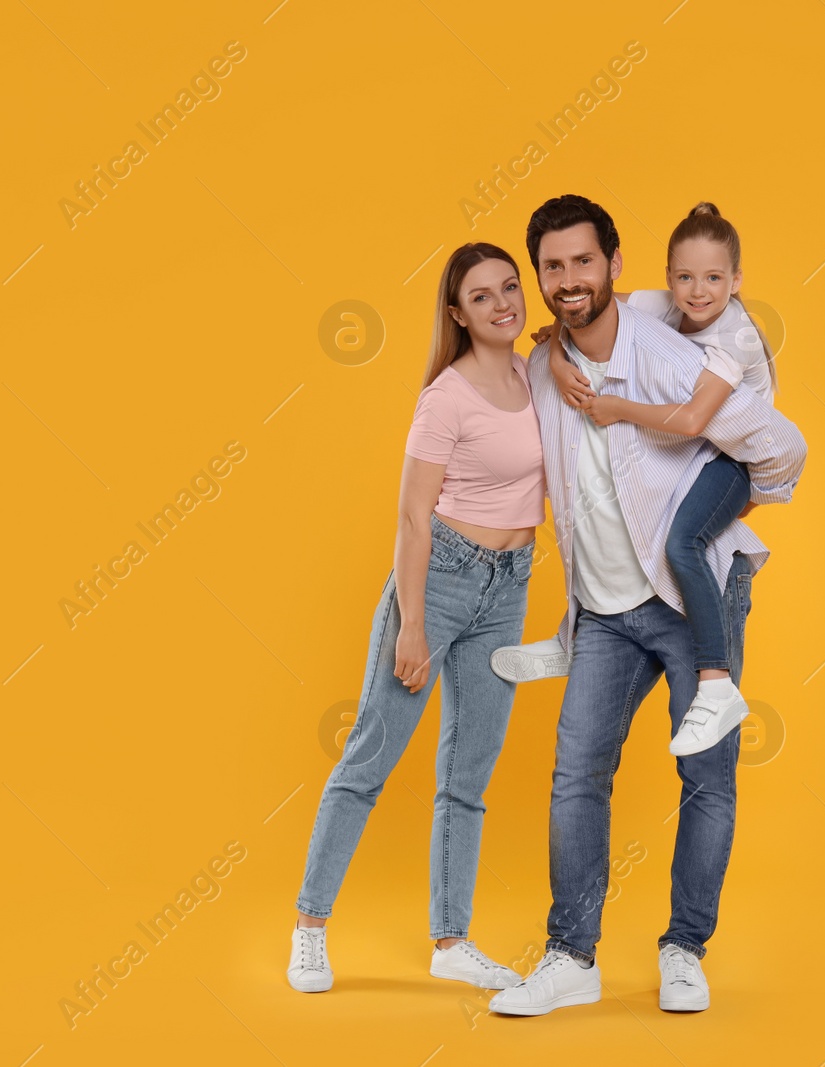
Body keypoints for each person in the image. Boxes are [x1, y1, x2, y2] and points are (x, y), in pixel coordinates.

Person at [488, 195, 807, 1017]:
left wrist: (736, 508)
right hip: (602, 608)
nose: (568, 280)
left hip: (684, 595)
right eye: (552, 267)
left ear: (615, 267)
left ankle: (684, 948)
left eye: (583, 262)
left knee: (706, 776)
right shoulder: (540, 369)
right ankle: (572, 955)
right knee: (575, 776)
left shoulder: (667, 355)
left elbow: (777, 443)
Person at [288, 243, 545, 994]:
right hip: (438, 583)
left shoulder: (536, 377)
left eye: (509, 287)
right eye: (482, 295)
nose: (503, 303)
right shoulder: (447, 397)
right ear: (457, 312)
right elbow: (411, 515)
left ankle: (451, 937)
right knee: (370, 757)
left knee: (469, 772)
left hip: (510, 586)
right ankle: (309, 927)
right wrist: (410, 624)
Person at [492, 201, 780, 757]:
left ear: (737, 281)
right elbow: (580, 311)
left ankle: (715, 684)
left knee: (681, 541)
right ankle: (569, 635)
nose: (697, 293)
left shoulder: (735, 339)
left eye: (714, 279)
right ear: (668, 277)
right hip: (697, 454)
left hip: (731, 460)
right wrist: (554, 354)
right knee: (602, 513)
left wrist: (617, 407)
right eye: (684, 278)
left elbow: (697, 420)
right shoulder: (662, 306)